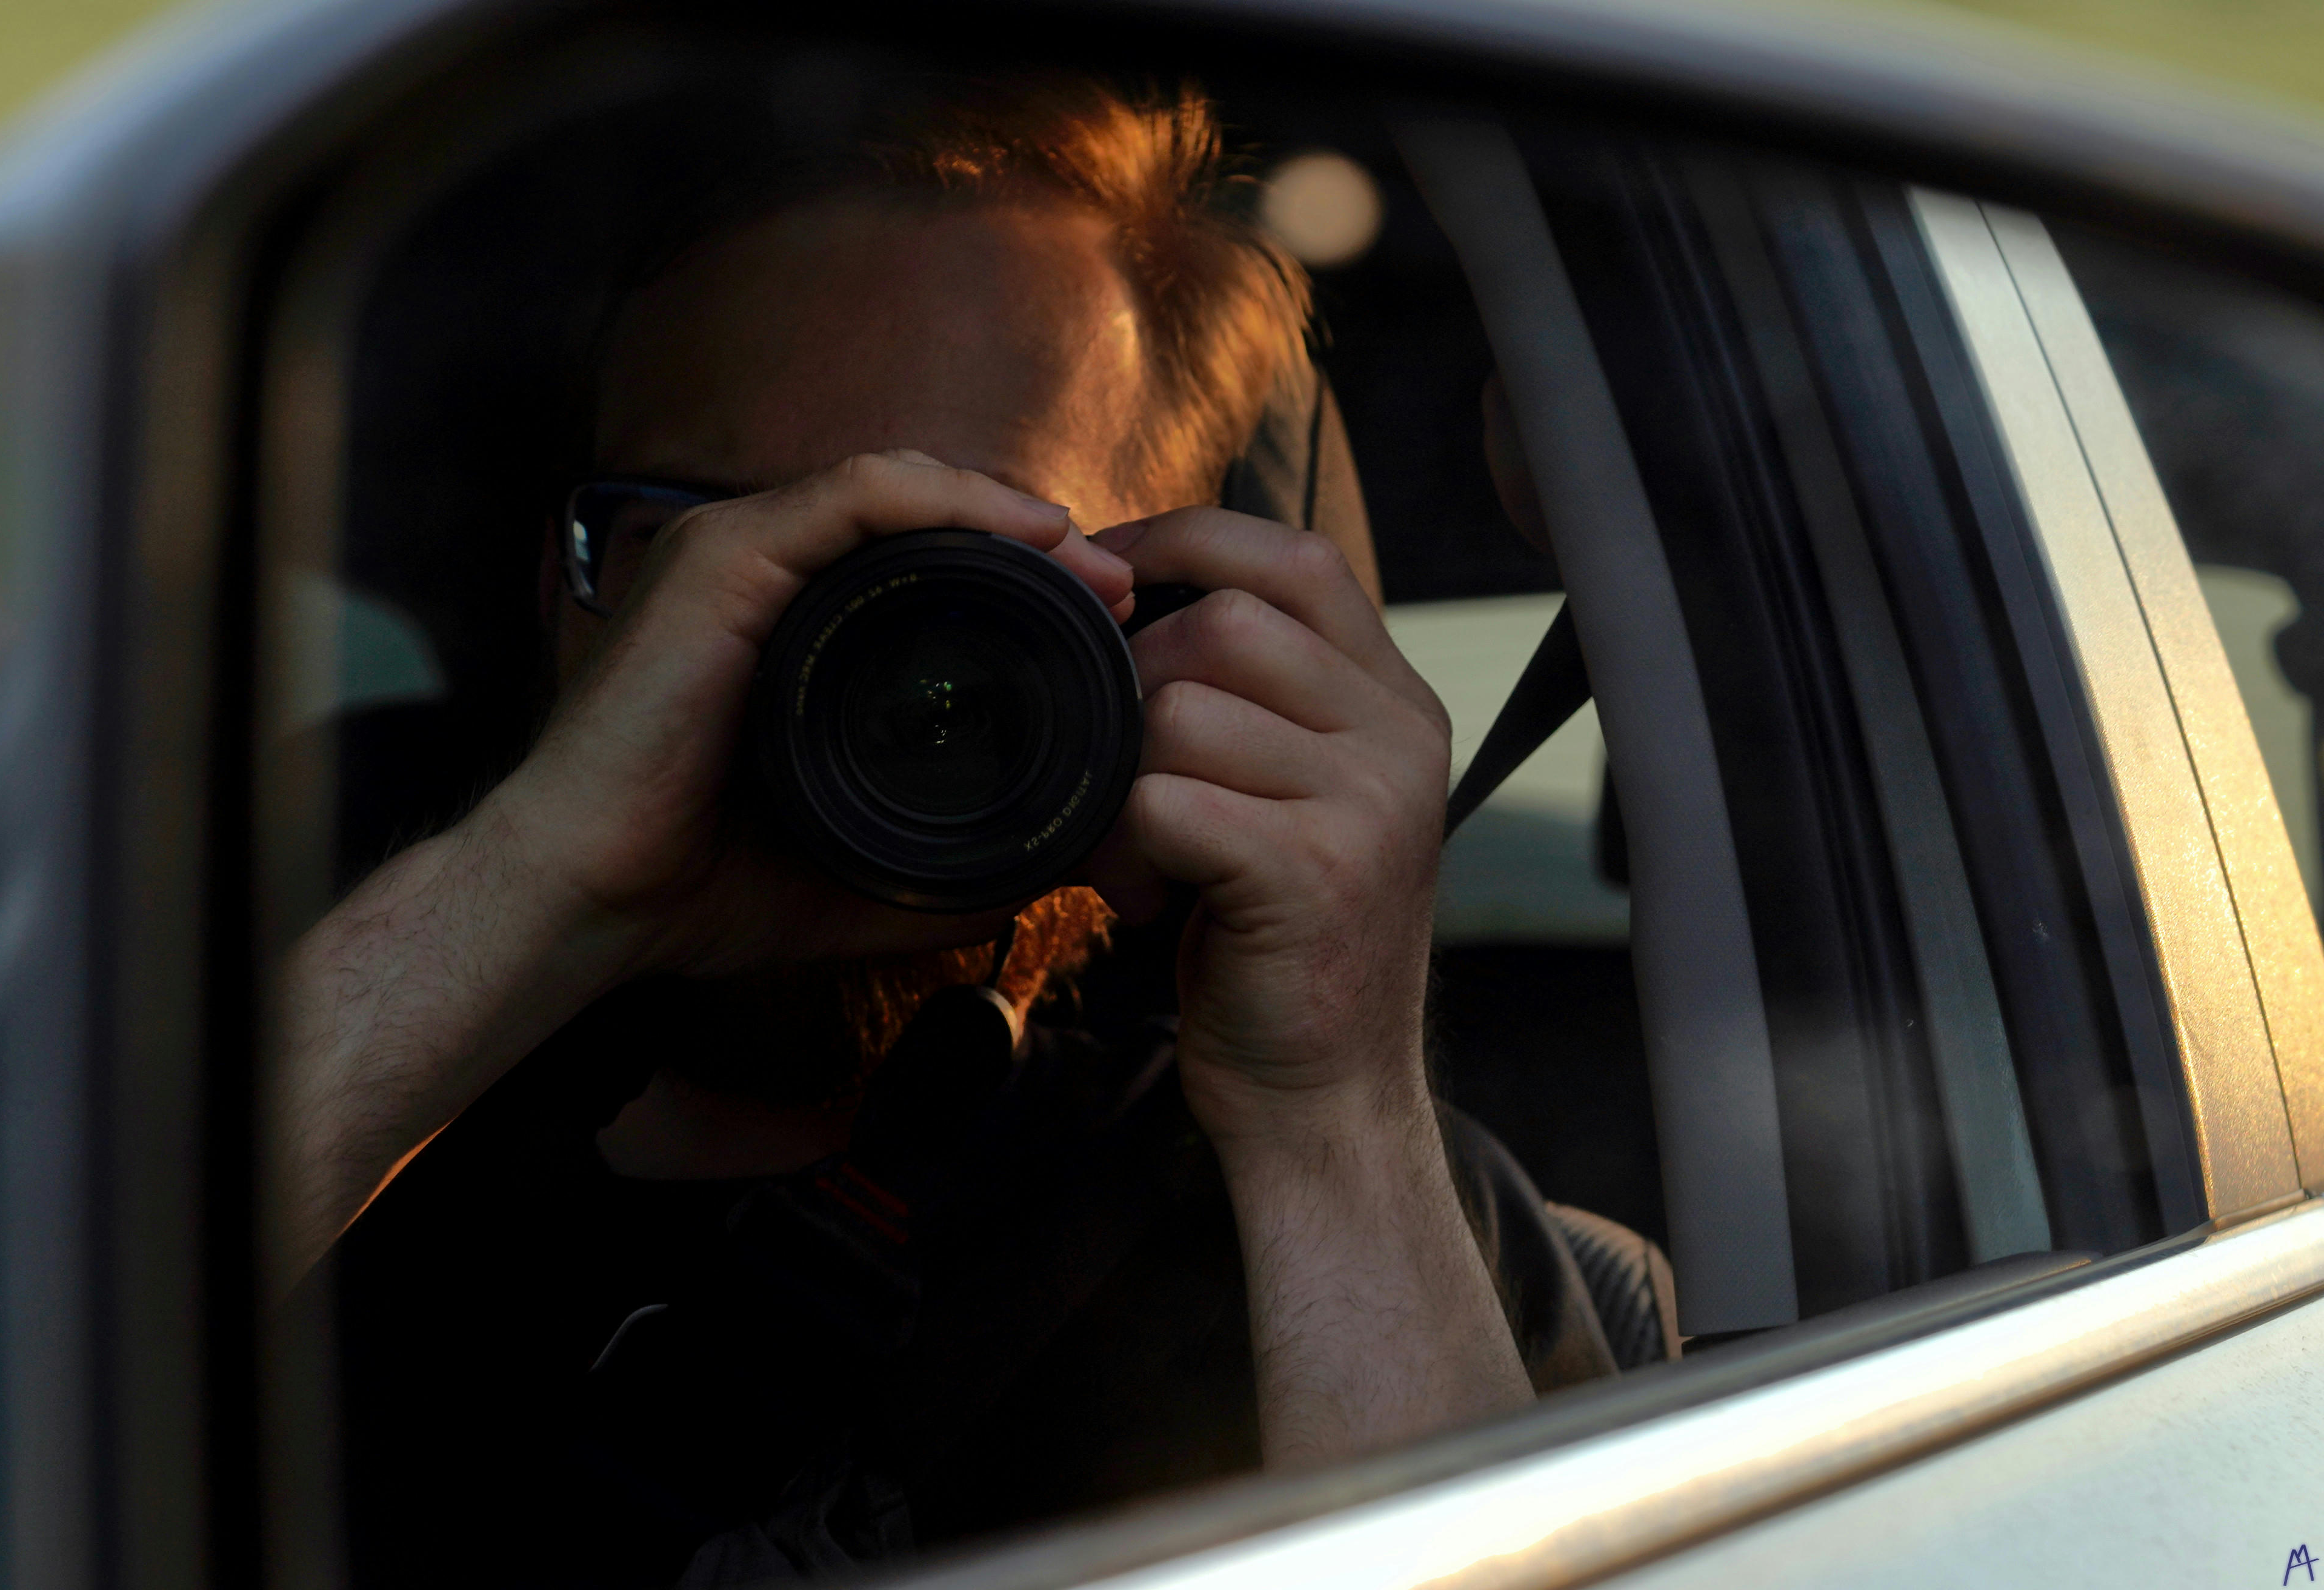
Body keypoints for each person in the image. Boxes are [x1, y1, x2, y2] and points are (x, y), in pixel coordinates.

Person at [281, 75, 1617, 1588]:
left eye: (959, 564)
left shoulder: (1332, 1196)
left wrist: (1333, 1117)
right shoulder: (319, 1090)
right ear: (560, 586)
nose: (813, 647)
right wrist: (516, 893)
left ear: (1171, 635)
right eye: (693, 546)